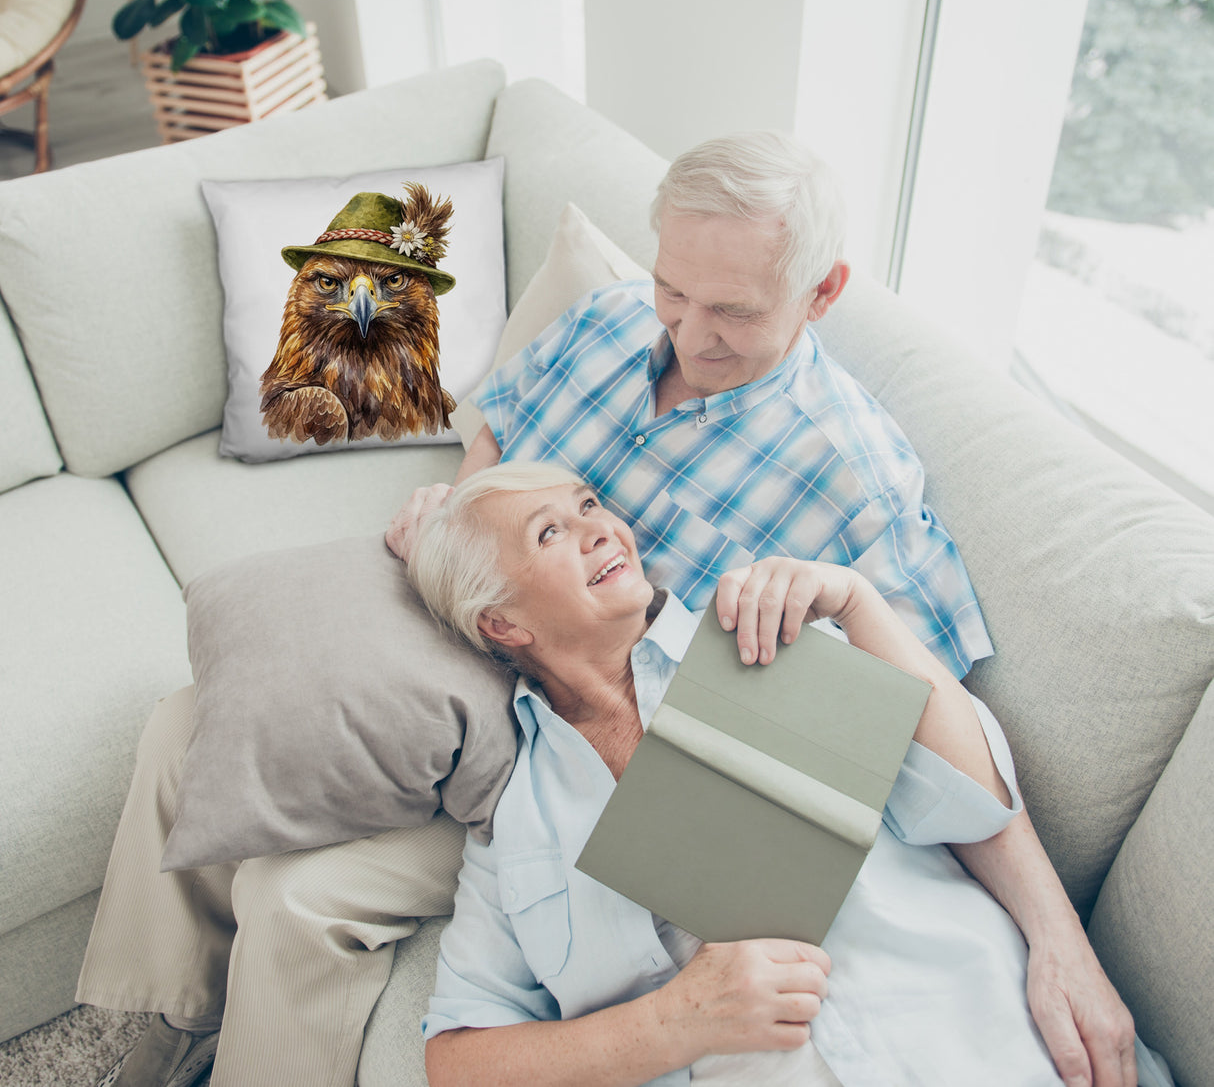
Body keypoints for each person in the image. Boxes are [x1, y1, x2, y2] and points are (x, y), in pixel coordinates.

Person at [389, 132, 1136, 1086]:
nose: (689, 334)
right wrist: (457, 533)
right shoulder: (606, 322)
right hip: (493, 709)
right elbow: (500, 431)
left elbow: (942, 757)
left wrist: (1060, 941)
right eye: (673, 290)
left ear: (822, 293)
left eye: (733, 311)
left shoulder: (828, 539)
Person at [407, 462, 1161, 1087]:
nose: (601, 529)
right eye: (549, 533)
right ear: (502, 623)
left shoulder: (763, 636)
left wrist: (858, 603)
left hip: (981, 1039)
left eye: (589, 505)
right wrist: (674, 1022)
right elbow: (458, 1062)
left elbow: (974, 802)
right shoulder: (516, 822)